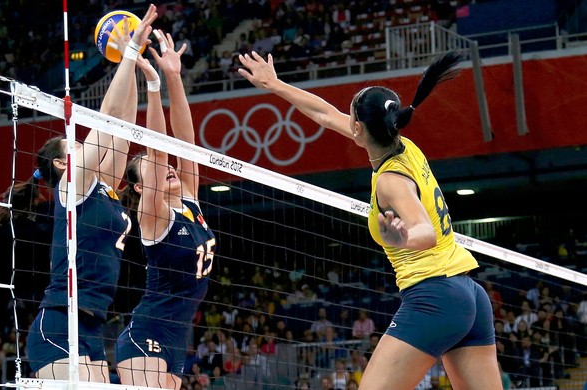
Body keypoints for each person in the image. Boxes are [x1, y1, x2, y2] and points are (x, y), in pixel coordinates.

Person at [237, 50, 502, 389]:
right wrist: (275, 85)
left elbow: (425, 232)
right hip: (468, 294)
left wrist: (400, 238)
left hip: (435, 296)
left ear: (359, 128)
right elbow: (324, 114)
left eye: (350, 117)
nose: (343, 119)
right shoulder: (403, 145)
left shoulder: (391, 181)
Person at [0, 5, 158, 382]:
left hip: (92, 327)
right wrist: (127, 53)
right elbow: (104, 120)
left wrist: (130, 62)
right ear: (64, 165)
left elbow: (123, 126)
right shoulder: (73, 187)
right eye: (74, 144)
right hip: (58, 326)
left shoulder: (101, 186)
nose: (81, 143)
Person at [115, 29, 216, 389]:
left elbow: (185, 144)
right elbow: (159, 152)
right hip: (148, 332)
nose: (169, 167)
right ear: (141, 187)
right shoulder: (153, 214)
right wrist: (154, 86)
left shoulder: (190, 197)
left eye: (169, 165)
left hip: (177, 338)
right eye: (155, 169)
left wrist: (174, 76)